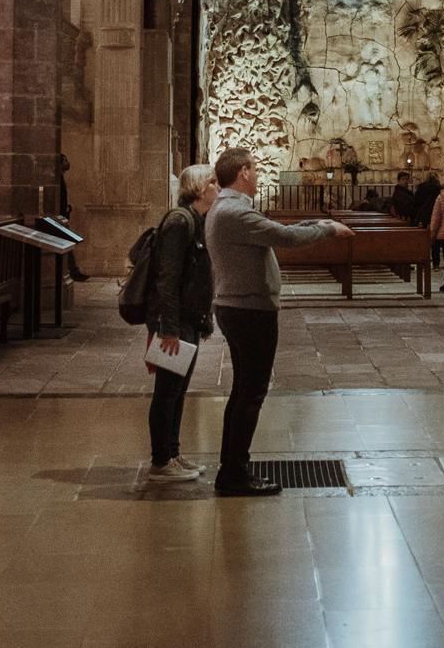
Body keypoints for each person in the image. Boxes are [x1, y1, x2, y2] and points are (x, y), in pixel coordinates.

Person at [205, 147, 351, 496]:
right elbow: (285, 237)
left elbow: (276, 230)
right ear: (242, 172)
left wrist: (316, 224)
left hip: (242, 307)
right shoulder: (232, 212)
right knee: (251, 392)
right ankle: (234, 474)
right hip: (248, 311)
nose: (257, 174)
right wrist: (327, 228)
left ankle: (233, 468)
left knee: (244, 391)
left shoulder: (229, 210)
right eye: (254, 169)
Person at [146, 164, 217, 483]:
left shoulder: (196, 220)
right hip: (175, 322)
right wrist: (170, 329)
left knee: (178, 390)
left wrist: (202, 319)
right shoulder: (179, 221)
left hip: (188, 319)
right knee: (167, 391)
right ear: (201, 188)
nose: (218, 188)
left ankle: (172, 453)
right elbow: (169, 278)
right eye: (214, 183)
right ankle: (160, 462)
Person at [55, 152, 90, 282]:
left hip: (62, 216)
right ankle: (73, 271)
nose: (67, 163)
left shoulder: (59, 178)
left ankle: (73, 271)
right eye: (64, 160)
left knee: (67, 245)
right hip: (59, 218)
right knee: (66, 245)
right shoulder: (57, 179)